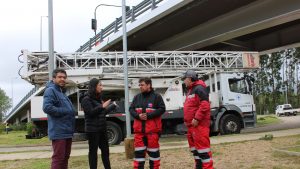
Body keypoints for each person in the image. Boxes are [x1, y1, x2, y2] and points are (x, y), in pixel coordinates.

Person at [80, 78, 117, 169]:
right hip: (92, 130)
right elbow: (91, 113)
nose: (102, 87)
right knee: (93, 153)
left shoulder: (98, 98)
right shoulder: (86, 99)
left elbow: (102, 112)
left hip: (102, 129)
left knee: (105, 151)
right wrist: (102, 106)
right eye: (100, 85)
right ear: (94, 86)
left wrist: (112, 106)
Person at [43, 68, 76, 169]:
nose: (62, 79)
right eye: (59, 77)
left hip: (66, 131)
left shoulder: (62, 92)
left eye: (64, 77)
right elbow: (47, 107)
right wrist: (66, 111)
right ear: (53, 78)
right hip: (59, 131)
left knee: (65, 158)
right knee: (59, 159)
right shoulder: (50, 90)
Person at [129, 77, 166, 169]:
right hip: (139, 133)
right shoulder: (137, 97)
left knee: (154, 157)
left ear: (149, 85)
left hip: (152, 132)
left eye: (142, 85)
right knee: (139, 158)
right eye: (139, 85)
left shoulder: (157, 97)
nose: (140, 87)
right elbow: (131, 109)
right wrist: (138, 116)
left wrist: (149, 115)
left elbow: (162, 109)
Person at [182, 70, 213, 169]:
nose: (184, 81)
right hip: (192, 126)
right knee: (196, 151)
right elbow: (191, 107)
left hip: (199, 125)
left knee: (203, 151)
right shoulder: (191, 90)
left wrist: (196, 118)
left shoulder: (199, 88)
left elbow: (205, 105)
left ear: (190, 79)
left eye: (185, 79)